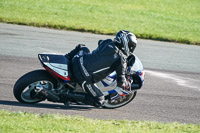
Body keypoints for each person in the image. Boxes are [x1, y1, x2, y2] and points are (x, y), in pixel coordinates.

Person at [65, 30, 137, 107]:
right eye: (131, 46)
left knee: (83, 47)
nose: (131, 48)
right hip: (84, 77)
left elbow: (100, 43)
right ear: (125, 43)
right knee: (99, 100)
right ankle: (67, 96)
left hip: (78, 60)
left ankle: (65, 58)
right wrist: (127, 83)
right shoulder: (120, 60)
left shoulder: (107, 42)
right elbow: (121, 82)